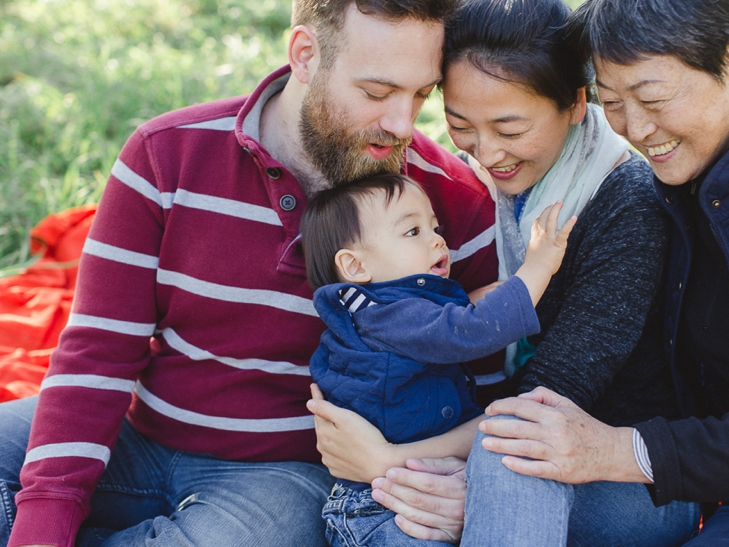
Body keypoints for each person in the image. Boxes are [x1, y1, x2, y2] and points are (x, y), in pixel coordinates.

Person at [0, 1, 505, 546]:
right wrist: (44, 522)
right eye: (377, 93)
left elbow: (495, 384)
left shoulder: (450, 202)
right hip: (137, 432)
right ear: (306, 55)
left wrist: (461, 479)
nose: (403, 123)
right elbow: (97, 354)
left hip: (280, 477)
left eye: (421, 94)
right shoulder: (165, 156)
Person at [306, 0, 698, 544]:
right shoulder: (467, 191)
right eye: (460, 125)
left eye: (510, 129)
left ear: (577, 103)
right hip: (490, 446)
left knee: (506, 464)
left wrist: (391, 462)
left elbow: (550, 397)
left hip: (622, 482)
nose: (486, 153)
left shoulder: (624, 203)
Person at [467, 0, 729, 545]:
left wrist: (616, 449)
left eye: (652, 98)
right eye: (614, 103)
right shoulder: (674, 181)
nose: (636, 128)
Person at [302, 173, 574, 546]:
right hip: (379, 508)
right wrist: (539, 265)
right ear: (354, 267)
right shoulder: (384, 315)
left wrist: (471, 301)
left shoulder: (380, 315)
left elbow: (435, 326)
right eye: (412, 232)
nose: (437, 239)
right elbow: (467, 333)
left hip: (406, 493)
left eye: (434, 226)